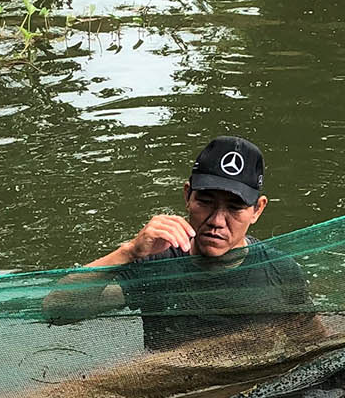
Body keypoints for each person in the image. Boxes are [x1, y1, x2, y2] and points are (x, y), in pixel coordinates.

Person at [45, 135, 311, 348]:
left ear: (257, 210)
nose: (217, 220)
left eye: (234, 208)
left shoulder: (279, 270)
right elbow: (56, 312)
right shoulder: (156, 263)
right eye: (205, 202)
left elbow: (310, 340)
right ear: (187, 196)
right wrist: (127, 253)